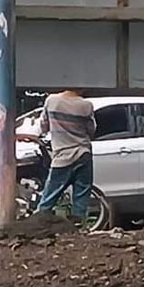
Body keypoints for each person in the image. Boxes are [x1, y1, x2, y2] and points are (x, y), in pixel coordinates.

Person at [36, 88, 96, 224]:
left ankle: (37, 223)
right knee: (81, 194)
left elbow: (43, 126)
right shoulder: (86, 105)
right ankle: (78, 226)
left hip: (62, 156)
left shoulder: (52, 101)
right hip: (83, 153)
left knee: (50, 194)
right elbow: (91, 130)